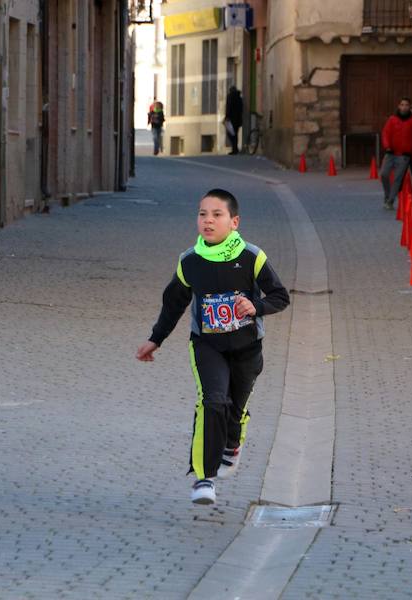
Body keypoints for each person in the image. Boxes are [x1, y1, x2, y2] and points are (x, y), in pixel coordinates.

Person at [136, 188, 290, 505]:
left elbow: (280, 297)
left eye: (216, 215)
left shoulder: (252, 256)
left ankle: (232, 442)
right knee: (212, 402)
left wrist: (255, 306)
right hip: (207, 345)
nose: (208, 220)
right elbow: (173, 304)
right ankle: (204, 478)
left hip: (247, 347)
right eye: (202, 214)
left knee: (234, 409)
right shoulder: (190, 262)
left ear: (234, 221)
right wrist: (155, 339)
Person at [379, 97, 412, 210]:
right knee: (384, 174)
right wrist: (387, 146)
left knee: (397, 179)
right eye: (402, 104)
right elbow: (385, 133)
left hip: (404, 155)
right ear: (399, 106)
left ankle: (390, 201)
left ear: (409, 107)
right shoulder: (392, 119)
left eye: (406, 105)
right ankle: (387, 195)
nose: (404, 107)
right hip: (390, 153)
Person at [225, 86, 243, 155]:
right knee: (235, 134)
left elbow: (228, 108)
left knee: (230, 134)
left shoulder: (230, 97)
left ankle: (234, 149)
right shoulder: (239, 98)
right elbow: (241, 109)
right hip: (238, 120)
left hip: (231, 119)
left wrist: (227, 116)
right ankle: (235, 149)